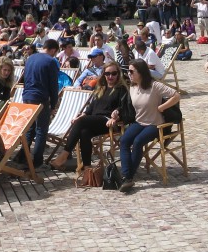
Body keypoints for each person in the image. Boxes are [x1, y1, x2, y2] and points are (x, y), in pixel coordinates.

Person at [50, 60, 133, 170]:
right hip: (95, 120)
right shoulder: (101, 88)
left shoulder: (121, 89)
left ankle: (64, 155)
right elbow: (91, 108)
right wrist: (83, 114)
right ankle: (87, 167)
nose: (110, 76)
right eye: (107, 74)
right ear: (103, 74)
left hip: (109, 121)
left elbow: (124, 106)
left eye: (114, 73)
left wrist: (117, 113)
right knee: (84, 132)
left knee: (82, 122)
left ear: (118, 74)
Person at [118, 59, 178, 192]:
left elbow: (176, 95)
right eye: (128, 71)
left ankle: (127, 177)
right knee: (124, 141)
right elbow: (127, 107)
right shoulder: (133, 87)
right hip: (139, 122)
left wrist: (162, 107)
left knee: (138, 142)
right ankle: (127, 176)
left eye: (132, 71)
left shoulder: (154, 86)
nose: (129, 74)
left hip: (155, 124)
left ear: (141, 72)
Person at [21, 39, 60, 168]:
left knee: (29, 128)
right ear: (53, 50)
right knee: (41, 130)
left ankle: (22, 156)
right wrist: (53, 104)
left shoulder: (30, 58)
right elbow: (53, 86)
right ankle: (37, 161)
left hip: (27, 95)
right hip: (40, 97)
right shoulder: (51, 61)